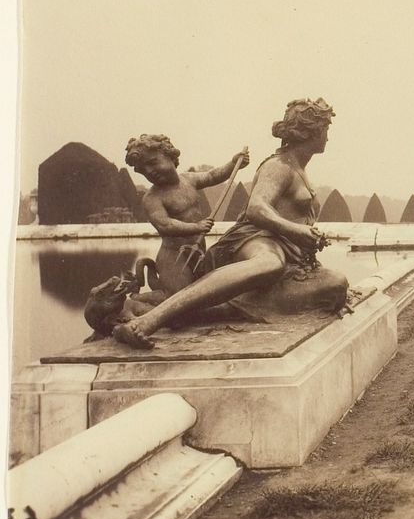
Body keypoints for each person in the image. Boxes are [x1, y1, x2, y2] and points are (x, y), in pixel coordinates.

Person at [113, 98, 348, 349]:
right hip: (257, 239)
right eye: (325, 130)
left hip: (290, 254)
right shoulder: (278, 167)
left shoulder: (298, 168)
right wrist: (296, 230)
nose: (327, 137)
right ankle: (148, 321)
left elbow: (221, 176)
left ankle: (196, 311)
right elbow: (256, 208)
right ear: (309, 132)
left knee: (336, 284)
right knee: (270, 264)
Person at [124, 134, 250, 295]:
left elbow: (212, 175)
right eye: (143, 170)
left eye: (153, 163)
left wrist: (233, 164)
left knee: (204, 295)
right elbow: (164, 224)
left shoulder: (189, 180)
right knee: (179, 298)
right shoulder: (152, 198)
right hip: (174, 258)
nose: (149, 171)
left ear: (170, 156)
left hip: (198, 252)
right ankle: (138, 301)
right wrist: (196, 227)